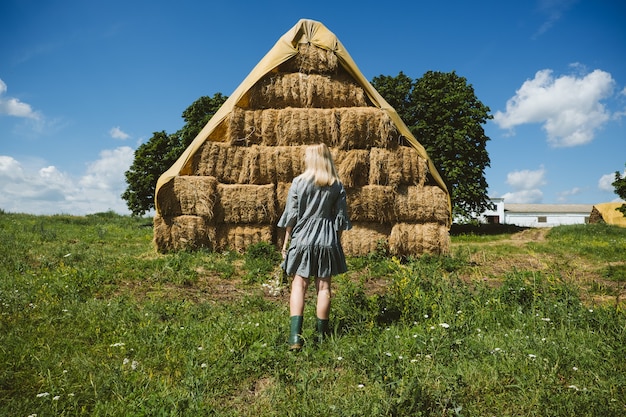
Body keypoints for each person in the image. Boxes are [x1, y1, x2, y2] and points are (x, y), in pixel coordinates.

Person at [278, 143, 352, 351]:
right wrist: (335, 243)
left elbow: (291, 217)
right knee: (324, 287)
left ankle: (295, 337)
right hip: (327, 240)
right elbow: (340, 219)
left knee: (299, 285)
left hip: (302, 239)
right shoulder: (336, 185)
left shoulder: (298, 183)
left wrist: (286, 244)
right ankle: (321, 338)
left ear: (310, 160)